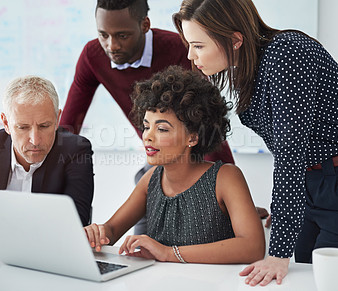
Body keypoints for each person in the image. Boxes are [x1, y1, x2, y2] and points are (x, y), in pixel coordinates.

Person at [173, 0, 338, 286]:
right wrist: (287, 208)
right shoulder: (251, 67)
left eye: (199, 45)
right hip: (316, 181)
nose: (191, 56)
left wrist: (279, 249)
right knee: (304, 273)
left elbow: (290, 154)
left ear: (234, 40)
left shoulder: (286, 53)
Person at [59, 0, 236, 235]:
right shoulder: (93, 56)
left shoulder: (180, 49)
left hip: (194, 158)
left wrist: (232, 195)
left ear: (145, 25)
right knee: (142, 240)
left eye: (122, 35)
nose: (111, 46)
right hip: (157, 162)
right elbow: (68, 128)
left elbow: (206, 123)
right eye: (103, 35)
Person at [84, 65, 265, 264]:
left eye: (162, 129)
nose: (148, 137)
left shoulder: (225, 177)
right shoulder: (151, 179)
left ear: (192, 137)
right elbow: (111, 231)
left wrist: (169, 253)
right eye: (146, 127)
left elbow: (253, 247)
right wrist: (96, 233)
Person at [0, 76, 94, 248]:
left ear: (57, 118)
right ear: (6, 123)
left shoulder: (75, 150)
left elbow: (76, 224)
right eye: (23, 127)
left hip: (53, 255)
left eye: (44, 126)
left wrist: (13, 239)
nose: (35, 140)